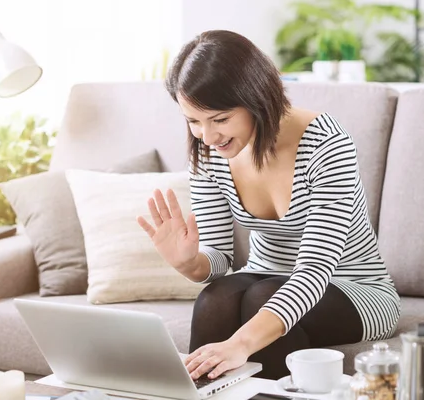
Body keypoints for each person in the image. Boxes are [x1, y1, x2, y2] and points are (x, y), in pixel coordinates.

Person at [136, 30, 401, 381]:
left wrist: (241, 344)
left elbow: (313, 271)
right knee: (215, 298)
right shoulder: (209, 151)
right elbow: (218, 262)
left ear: (256, 97)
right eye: (193, 121)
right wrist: (189, 263)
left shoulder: (327, 144)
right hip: (265, 279)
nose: (208, 136)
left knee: (261, 298)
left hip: (353, 288)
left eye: (220, 119)